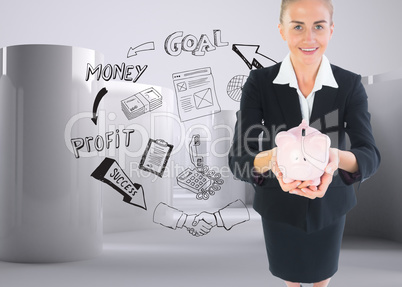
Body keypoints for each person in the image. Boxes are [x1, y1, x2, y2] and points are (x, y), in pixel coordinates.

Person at [228, 0, 380, 286]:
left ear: (331, 30)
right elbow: (238, 157)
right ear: (282, 30)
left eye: (318, 26)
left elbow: (369, 154)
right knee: (289, 278)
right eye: (298, 26)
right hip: (278, 205)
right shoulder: (259, 83)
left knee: (323, 277)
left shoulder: (349, 85)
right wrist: (274, 160)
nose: (309, 38)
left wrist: (334, 158)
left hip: (331, 204)